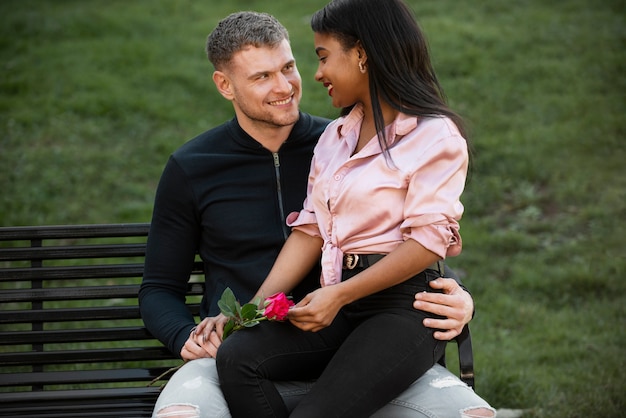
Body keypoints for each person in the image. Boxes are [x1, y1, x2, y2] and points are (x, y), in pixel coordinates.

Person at [139, 9, 494, 418]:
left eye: (290, 67)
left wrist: (460, 296)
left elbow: (419, 238)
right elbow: (158, 287)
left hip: (356, 324)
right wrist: (200, 332)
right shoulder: (194, 167)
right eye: (261, 77)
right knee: (206, 389)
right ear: (225, 85)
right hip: (259, 343)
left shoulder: (342, 136)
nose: (285, 86)